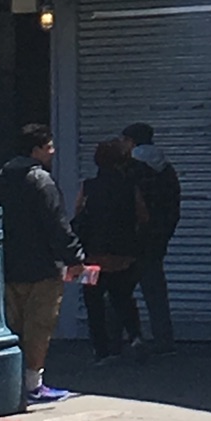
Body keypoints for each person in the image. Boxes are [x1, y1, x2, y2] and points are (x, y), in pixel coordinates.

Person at [0, 123, 84, 406]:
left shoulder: (1, 178)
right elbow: (56, 224)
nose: (53, 151)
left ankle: (9, 381)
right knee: (39, 327)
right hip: (42, 266)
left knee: (13, 325)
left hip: (9, 264)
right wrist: (74, 258)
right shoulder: (41, 181)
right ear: (36, 150)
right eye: (49, 146)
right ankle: (33, 385)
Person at [73, 140, 147, 363]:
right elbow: (143, 216)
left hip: (91, 255)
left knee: (92, 302)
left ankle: (101, 350)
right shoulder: (130, 186)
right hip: (122, 254)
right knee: (123, 296)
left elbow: (78, 214)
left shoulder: (88, 186)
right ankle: (134, 335)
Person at [122, 120, 180, 355]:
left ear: (131, 142)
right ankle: (164, 339)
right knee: (155, 290)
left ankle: (119, 340)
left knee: (118, 290)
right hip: (157, 238)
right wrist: (165, 232)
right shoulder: (166, 169)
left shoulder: (130, 168)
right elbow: (174, 206)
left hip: (131, 239)